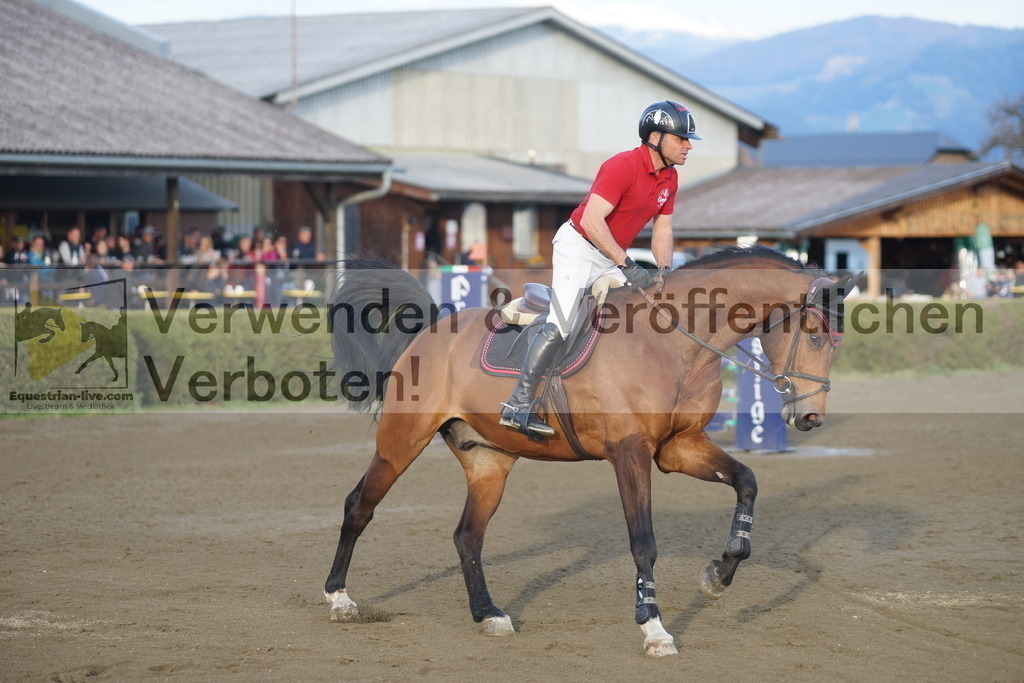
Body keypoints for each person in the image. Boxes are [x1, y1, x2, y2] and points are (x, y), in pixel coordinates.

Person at [499, 100, 699, 438]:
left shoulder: (670, 178)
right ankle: (517, 405)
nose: (688, 145)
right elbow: (592, 221)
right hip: (579, 247)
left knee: (640, 312)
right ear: (655, 137)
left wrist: (665, 270)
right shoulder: (621, 166)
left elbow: (663, 229)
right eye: (681, 139)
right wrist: (625, 263)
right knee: (562, 323)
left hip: (610, 255)